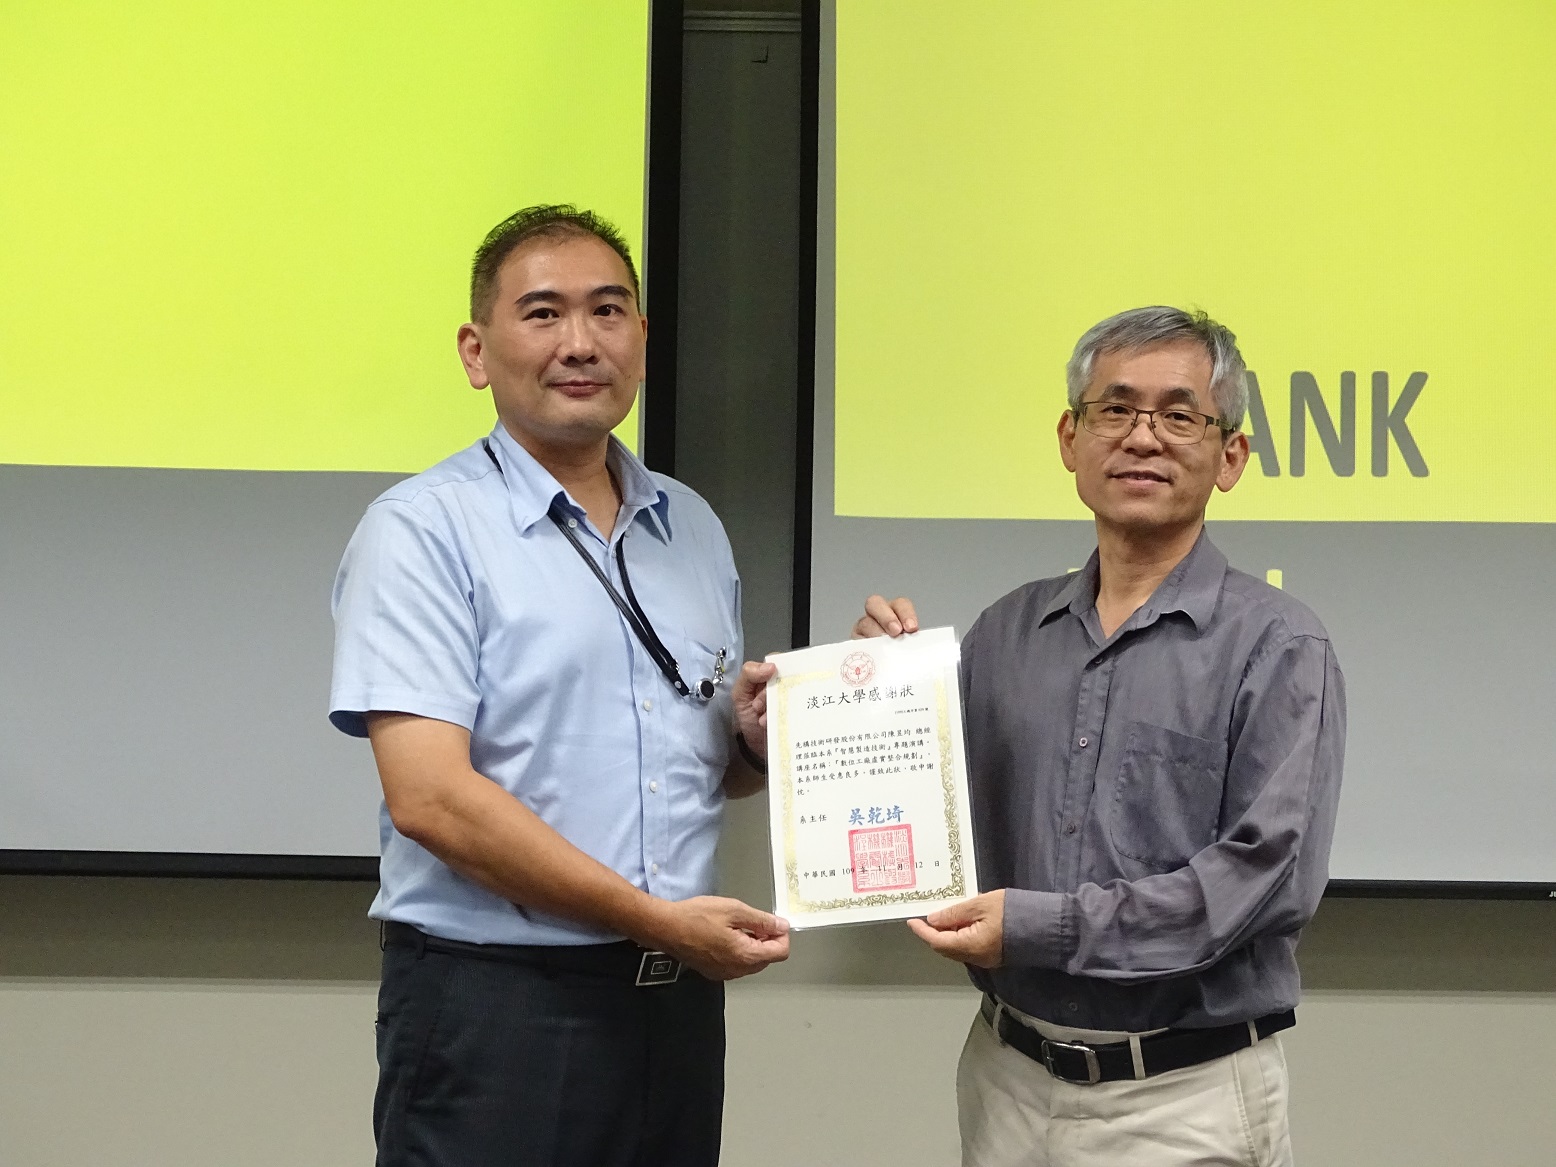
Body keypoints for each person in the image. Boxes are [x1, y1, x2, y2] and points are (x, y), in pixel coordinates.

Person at [329, 204, 788, 1167]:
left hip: (673, 1009)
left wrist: (753, 740)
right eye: (543, 313)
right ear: (476, 351)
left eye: (607, 311)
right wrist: (654, 920)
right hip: (498, 1006)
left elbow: (707, 774)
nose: (581, 342)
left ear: (641, 340)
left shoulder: (693, 527)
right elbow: (429, 799)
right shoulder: (422, 530)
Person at [855, 307, 1345, 1166]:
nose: (1142, 436)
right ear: (1069, 438)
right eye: (1115, 408)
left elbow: (1260, 882)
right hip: (1006, 1077)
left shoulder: (1279, 646)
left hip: (1184, 1097)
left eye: (1179, 414)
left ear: (1231, 455)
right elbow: (927, 824)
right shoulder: (1003, 633)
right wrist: (870, 696)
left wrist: (1039, 927)